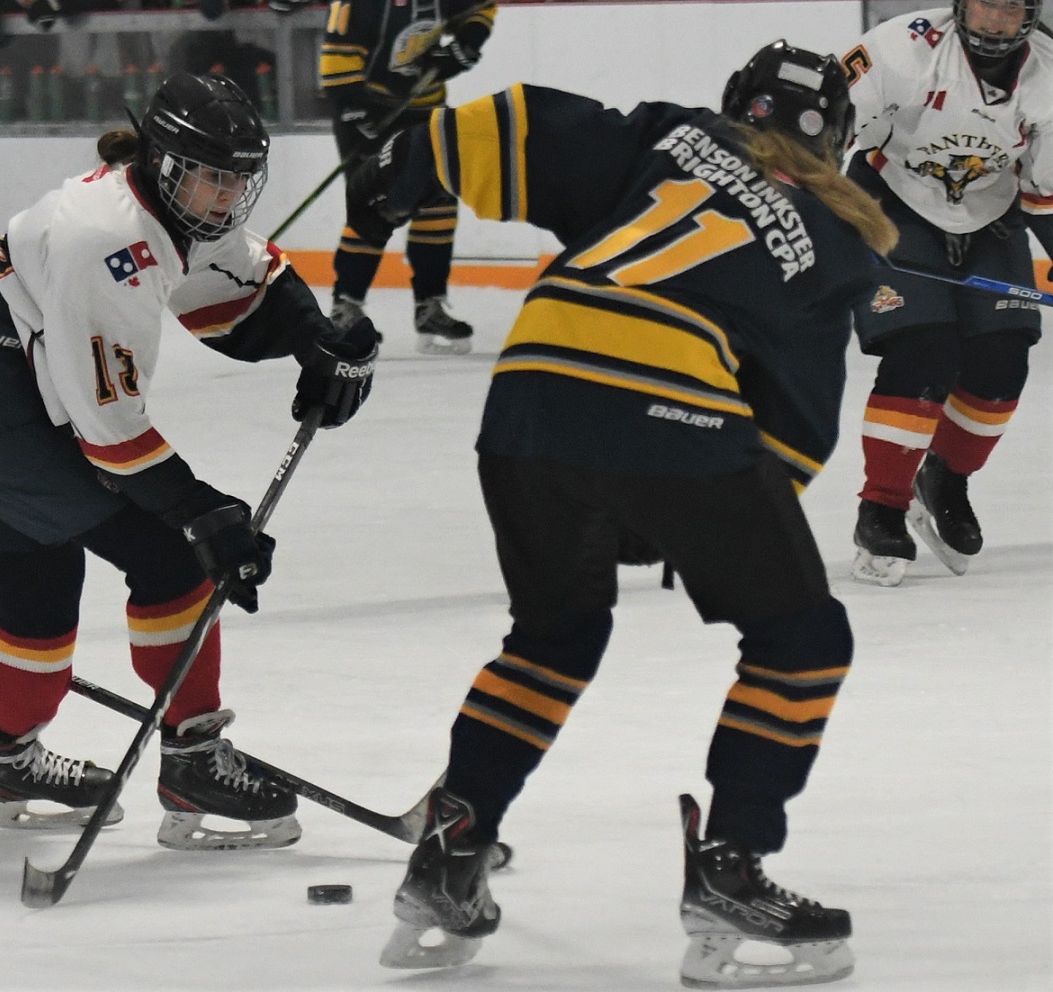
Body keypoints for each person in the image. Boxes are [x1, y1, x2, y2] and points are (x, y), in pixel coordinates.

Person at [348, 40, 898, 984]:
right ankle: (730, 867)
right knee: (801, 639)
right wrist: (709, 512)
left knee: (551, 638)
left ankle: (452, 851)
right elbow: (798, 425)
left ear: (738, 108)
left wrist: (409, 160)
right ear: (836, 142)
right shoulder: (837, 245)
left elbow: (517, 124)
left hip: (527, 396)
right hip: (667, 409)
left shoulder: (671, 136)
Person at [0, 73, 378, 846]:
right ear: (161, 159)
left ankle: (12, 755)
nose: (223, 198)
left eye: (236, 180)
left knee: (38, 570)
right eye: (209, 177)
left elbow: (243, 275)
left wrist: (318, 339)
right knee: (175, 556)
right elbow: (110, 431)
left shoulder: (169, 202)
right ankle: (192, 764)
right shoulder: (107, 243)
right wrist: (202, 516)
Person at [840, 0, 1053, 586]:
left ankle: (945, 478)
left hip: (990, 216)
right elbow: (823, 126)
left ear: (1030, 17)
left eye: (1010, 10)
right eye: (985, 5)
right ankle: (880, 508)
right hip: (890, 203)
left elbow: (1045, 192)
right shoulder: (900, 51)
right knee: (923, 351)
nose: (994, 22)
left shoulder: (1050, 79)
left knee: (1002, 363)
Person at [319, 0, 496, 354]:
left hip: (424, 106)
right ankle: (345, 305)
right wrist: (353, 106)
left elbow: (482, 7)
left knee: (439, 202)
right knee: (375, 205)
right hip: (368, 105)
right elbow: (337, 56)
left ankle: (430, 305)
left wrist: (465, 43)